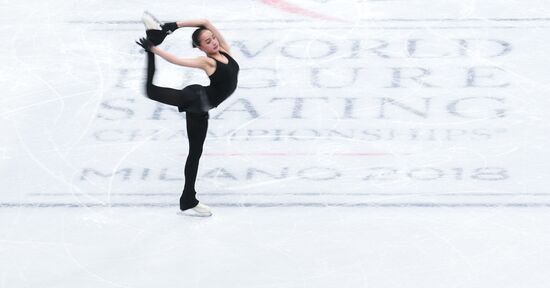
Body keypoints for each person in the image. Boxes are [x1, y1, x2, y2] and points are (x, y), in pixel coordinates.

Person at [135, 12, 240, 217]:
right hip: (196, 102)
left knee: (195, 153)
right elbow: (175, 60)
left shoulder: (225, 51)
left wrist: (172, 25)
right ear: (201, 47)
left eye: (213, 38)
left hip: (201, 102)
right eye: (207, 42)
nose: (213, 42)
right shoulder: (206, 62)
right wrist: (153, 49)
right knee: (194, 153)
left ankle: (187, 200)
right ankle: (188, 200)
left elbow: (205, 22)